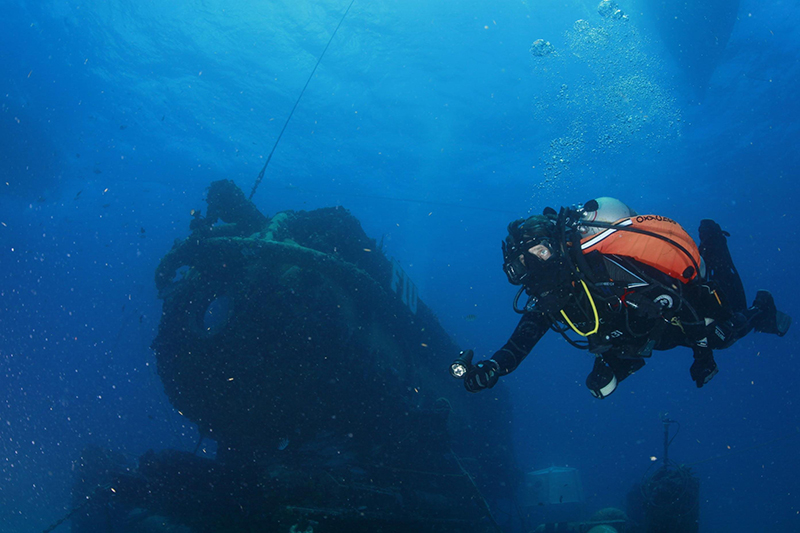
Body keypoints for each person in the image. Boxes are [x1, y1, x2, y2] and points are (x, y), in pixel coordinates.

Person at [462, 198, 791, 397]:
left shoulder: (602, 267)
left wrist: (703, 356)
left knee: (723, 331)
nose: (534, 269)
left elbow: (678, 302)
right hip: (652, 333)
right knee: (601, 383)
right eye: (521, 267)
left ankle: (727, 260)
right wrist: (494, 367)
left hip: (686, 308)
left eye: (539, 254)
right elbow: (521, 341)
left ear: (556, 247)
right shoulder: (552, 296)